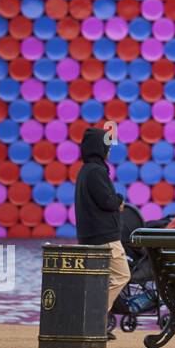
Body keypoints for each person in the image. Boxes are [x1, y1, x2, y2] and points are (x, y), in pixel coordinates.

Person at [74, 127, 130, 337]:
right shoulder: (97, 172)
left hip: (90, 235)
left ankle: (94, 320)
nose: (109, 151)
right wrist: (119, 200)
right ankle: (94, 319)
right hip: (105, 236)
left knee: (102, 280)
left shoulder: (85, 171)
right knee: (121, 275)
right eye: (106, 147)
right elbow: (107, 201)